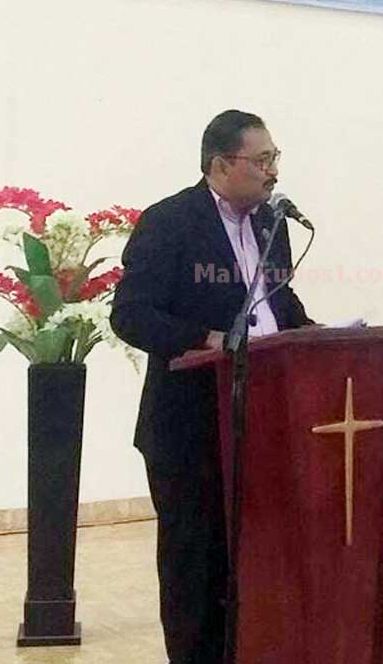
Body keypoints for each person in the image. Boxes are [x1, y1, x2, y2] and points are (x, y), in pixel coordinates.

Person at [111, 109, 312, 664]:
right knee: (196, 569)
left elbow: (278, 303)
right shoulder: (170, 221)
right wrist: (207, 338)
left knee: (257, 564)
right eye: (262, 160)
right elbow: (130, 315)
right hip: (191, 427)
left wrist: (318, 334)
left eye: (275, 158)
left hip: (263, 422)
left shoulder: (273, 224)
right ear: (221, 165)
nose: (273, 171)